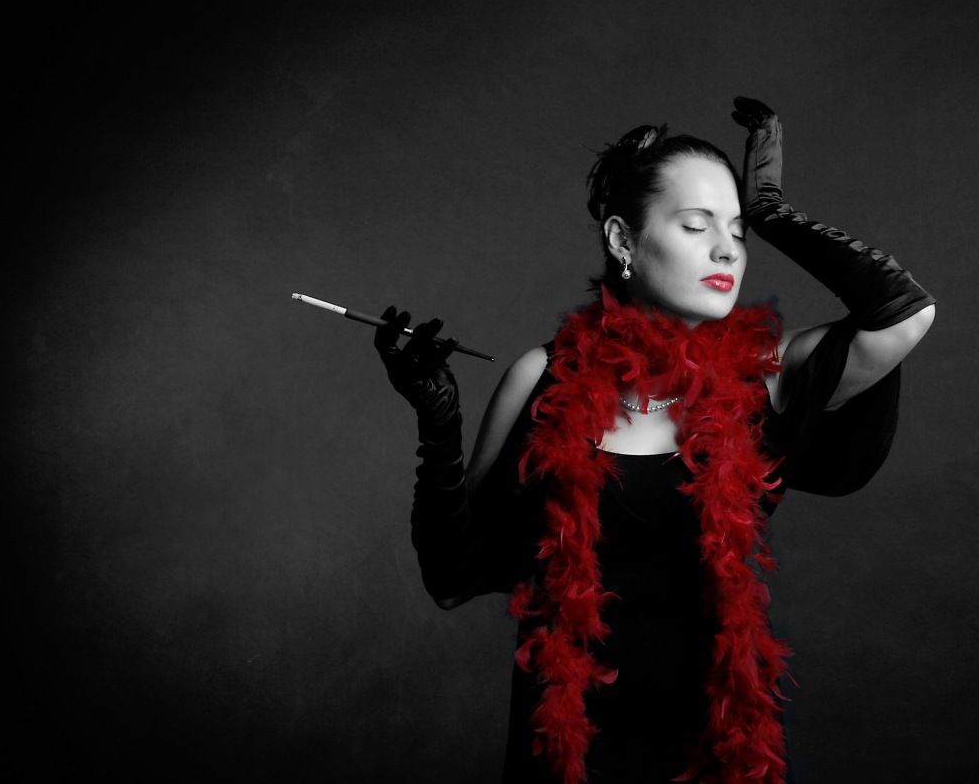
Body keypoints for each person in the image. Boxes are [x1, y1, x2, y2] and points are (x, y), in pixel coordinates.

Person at [373, 97, 935, 784]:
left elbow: (904, 314)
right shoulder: (541, 379)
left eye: (739, 231)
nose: (727, 249)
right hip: (566, 755)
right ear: (622, 240)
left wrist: (773, 212)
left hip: (713, 752)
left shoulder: (766, 377)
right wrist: (438, 429)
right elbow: (452, 582)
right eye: (697, 225)